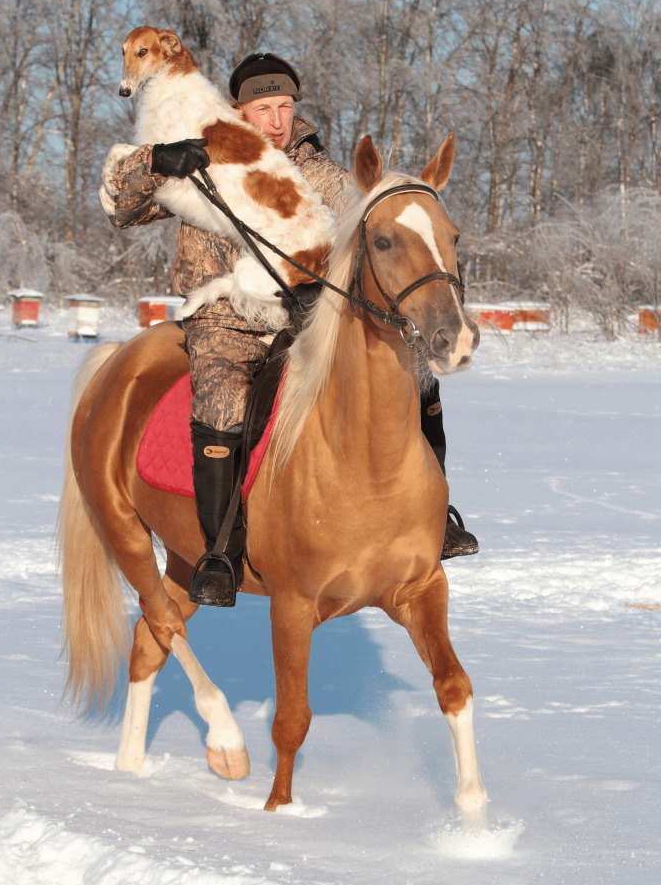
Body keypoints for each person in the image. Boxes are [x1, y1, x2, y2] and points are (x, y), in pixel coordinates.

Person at [101, 52, 478, 607]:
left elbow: (373, 234)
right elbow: (121, 207)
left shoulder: (321, 173)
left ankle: (434, 514)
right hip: (223, 315)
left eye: (284, 106)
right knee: (224, 398)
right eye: (263, 108)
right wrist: (158, 161)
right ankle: (219, 553)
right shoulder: (204, 152)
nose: (276, 120)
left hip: (302, 315)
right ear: (240, 110)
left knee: (414, 380)